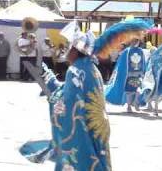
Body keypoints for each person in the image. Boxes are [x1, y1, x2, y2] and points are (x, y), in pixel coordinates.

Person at [38, 25, 111, 170]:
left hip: (84, 123)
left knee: (81, 158)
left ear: (75, 51)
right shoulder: (91, 67)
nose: (66, 51)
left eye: (69, 47)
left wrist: (52, 92)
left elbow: (67, 101)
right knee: (97, 158)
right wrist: (52, 81)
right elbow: (72, 91)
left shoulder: (75, 70)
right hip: (98, 124)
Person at [105, 38, 146, 112]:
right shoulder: (127, 51)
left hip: (137, 74)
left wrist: (142, 71)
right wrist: (123, 73)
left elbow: (143, 61)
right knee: (129, 91)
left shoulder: (141, 51)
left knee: (138, 90)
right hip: (128, 74)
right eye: (134, 40)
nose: (136, 42)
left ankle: (136, 103)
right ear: (131, 41)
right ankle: (129, 106)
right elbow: (121, 63)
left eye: (137, 41)